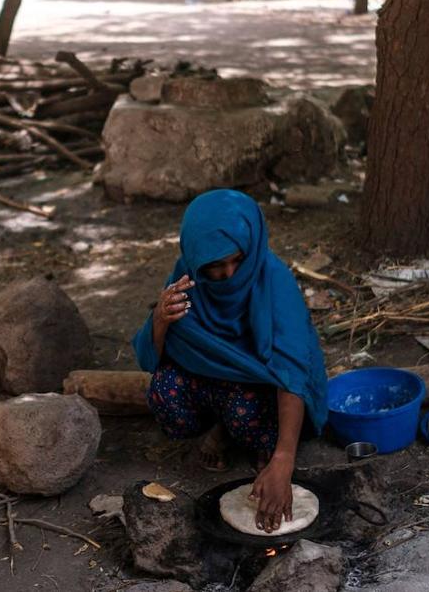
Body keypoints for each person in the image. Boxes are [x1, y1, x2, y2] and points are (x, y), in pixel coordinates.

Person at [132, 189, 328, 533]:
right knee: (164, 390)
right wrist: (160, 320)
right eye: (216, 266)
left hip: (260, 390)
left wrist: (285, 459)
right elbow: (152, 360)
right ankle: (220, 427)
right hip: (211, 381)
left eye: (238, 260)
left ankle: (248, 438)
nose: (229, 274)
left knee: (248, 411)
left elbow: (291, 373)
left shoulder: (274, 280)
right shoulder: (186, 278)